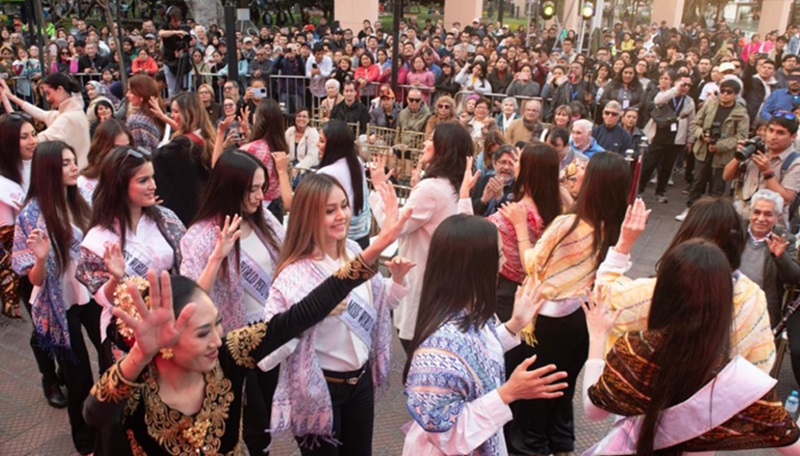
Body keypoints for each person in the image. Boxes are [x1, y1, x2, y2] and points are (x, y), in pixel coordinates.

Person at [82, 204, 411, 455]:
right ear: (165, 343)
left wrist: (375, 247)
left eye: (217, 326)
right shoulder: (137, 386)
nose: (216, 340)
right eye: (201, 333)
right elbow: (95, 414)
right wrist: (140, 354)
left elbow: (297, 317)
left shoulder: (227, 358)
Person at [583, 239, 800, 455]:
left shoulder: (633, 350)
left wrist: (598, 337)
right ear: (724, 301)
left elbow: (594, 411)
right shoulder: (739, 381)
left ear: (661, 292)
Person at [259, 173, 414, 455]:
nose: (341, 215)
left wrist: (399, 280)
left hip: (360, 383)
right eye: (330, 210)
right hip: (319, 390)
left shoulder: (355, 251)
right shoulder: (292, 276)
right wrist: (314, 314)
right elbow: (271, 348)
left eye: (343, 205)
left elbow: (381, 308)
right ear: (308, 216)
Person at [402, 214, 568, 456]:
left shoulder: (470, 309)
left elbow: (474, 353)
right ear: (476, 266)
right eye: (499, 255)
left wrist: (515, 324)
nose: (504, 263)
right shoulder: (437, 348)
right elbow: (446, 437)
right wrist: (508, 393)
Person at [512, 152, 631, 456]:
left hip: (549, 322)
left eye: (585, 172)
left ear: (595, 183)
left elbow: (533, 264)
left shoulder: (568, 224)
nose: (577, 173)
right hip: (582, 318)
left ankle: (531, 449)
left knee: (535, 396)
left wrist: (520, 228)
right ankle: (561, 448)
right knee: (560, 394)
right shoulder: (613, 224)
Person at [179, 150, 285, 454]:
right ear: (229, 188)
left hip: (269, 333)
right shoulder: (199, 237)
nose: (259, 196)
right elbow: (190, 298)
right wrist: (217, 256)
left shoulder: (264, 218)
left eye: (262, 187)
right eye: (251, 189)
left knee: (266, 410)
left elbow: (288, 253)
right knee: (250, 418)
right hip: (231, 342)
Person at [597, 197, 775, 373]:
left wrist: (624, 243)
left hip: (655, 394)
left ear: (687, 235)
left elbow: (605, 297)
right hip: (716, 399)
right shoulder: (753, 296)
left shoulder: (660, 291)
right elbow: (762, 362)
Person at [12, 141, 99, 456]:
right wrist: (40, 259)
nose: (74, 166)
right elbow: (32, 279)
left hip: (92, 294)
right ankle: (86, 442)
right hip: (57, 303)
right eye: (66, 163)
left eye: (73, 160)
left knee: (111, 359)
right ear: (48, 170)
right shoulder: (31, 215)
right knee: (78, 378)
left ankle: (112, 428)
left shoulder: (84, 199)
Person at [76, 146, 186, 373]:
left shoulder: (167, 219)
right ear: (119, 185)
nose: (153, 186)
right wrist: (116, 278)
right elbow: (103, 298)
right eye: (144, 180)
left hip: (170, 323)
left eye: (152, 178)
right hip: (127, 335)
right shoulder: (98, 238)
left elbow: (185, 267)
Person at [369, 122, 477, 352]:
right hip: (440, 282)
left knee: (416, 354)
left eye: (431, 139)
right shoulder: (452, 186)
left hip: (421, 281)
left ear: (443, 148)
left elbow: (394, 227)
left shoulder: (431, 188)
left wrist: (378, 188)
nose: (425, 143)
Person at [676, 79, 749, 221]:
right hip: (703, 150)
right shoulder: (710, 105)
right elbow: (695, 123)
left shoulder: (741, 113)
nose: (725, 94)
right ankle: (690, 209)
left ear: (736, 94)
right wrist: (702, 135)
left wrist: (720, 145)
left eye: (729, 92)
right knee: (697, 182)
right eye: (722, 91)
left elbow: (741, 136)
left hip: (723, 156)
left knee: (717, 187)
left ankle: (710, 216)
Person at [724, 112, 800, 228]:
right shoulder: (756, 149)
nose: (773, 136)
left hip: (769, 226)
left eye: (780, 133)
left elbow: (785, 199)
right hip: (741, 218)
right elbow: (726, 176)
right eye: (770, 130)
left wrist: (767, 172)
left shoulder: (795, 162)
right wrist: (739, 155)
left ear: (793, 137)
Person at [151, 92, 215, 226]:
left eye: (176, 112)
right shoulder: (206, 136)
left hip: (181, 209)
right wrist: (163, 118)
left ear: (188, 114)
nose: (172, 116)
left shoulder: (182, 145)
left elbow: (155, 158)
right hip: (200, 205)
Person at [1, 74, 90, 167]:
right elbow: (42, 114)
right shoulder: (73, 112)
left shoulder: (67, 118)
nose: (47, 98)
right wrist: (10, 97)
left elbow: (36, 141)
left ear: (60, 89)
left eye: (48, 93)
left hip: (75, 174)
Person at [639, 72, 696, 204]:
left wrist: (690, 139)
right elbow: (658, 100)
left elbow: (692, 121)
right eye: (683, 84)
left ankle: (661, 191)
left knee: (667, 167)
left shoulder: (689, 101)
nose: (685, 87)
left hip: (677, 136)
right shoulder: (667, 94)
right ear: (675, 83)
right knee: (650, 163)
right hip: (660, 133)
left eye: (688, 85)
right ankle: (639, 189)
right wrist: (675, 89)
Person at [0, 112, 36, 319]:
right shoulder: (4, 185)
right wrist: (9, 289)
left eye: (33, 134)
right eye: (24, 137)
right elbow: (8, 239)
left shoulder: (41, 162)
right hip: (29, 265)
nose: (32, 141)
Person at [317, 120, 372, 248]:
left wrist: (282, 172)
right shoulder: (356, 162)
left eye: (321, 141)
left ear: (333, 145)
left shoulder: (325, 174)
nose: (317, 144)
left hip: (340, 241)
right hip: (362, 235)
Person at [240, 99, 287, 221]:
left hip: (256, 205)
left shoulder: (251, 148)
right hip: (275, 205)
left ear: (260, 119)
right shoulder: (281, 145)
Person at [78, 119, 133, 203]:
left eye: (127, 147)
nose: (122, 153)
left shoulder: (135, 179)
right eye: (116, 148)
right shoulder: (83, 183)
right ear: (101, 148)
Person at [471, 145, 517, 216]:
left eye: (511, 164)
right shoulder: (482, 181)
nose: (506, 167)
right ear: (495, 164)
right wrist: (483, 201)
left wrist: (500, 200)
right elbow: (470, 210)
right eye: (503, 162)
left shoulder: (519, 187)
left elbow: (513, 217)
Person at [125, 74, 165, 152]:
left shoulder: (136, 120)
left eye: (131, 91)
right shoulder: (154, 113)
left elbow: (138, 152)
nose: (127, 95)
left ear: (141, 94)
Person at [285, 108, 320, 174]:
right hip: (292, 165)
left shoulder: (313, 133)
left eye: (304, 117)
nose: (301, 119)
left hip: (309, 167)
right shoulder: (290, 131)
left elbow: (312, 157)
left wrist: (297, 169)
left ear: (308, 120)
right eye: (299, 116)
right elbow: (284, 150)